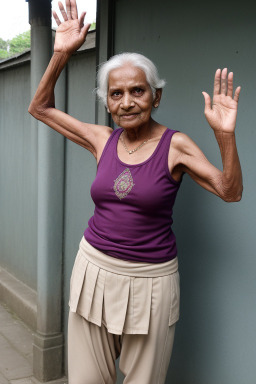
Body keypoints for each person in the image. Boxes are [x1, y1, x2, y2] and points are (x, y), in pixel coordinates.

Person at [28, 1, 243, 383]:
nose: (126, 102)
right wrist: (61, 54)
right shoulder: (101, 139)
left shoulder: (176, 145)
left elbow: (229, 191)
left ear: (156, 97)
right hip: (93, 269)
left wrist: (224, 136)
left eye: (138, 91)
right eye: (116, 94)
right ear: (107, 102)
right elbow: (40, 107)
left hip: (152, 281)